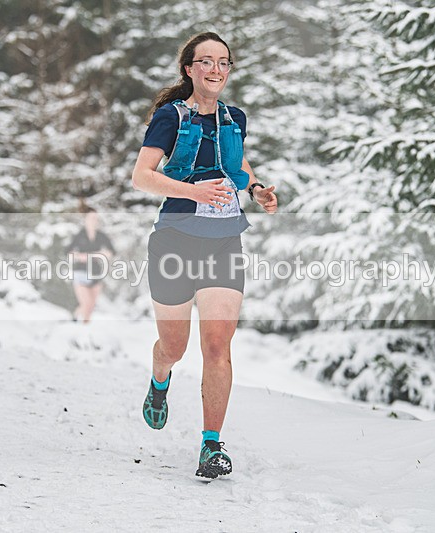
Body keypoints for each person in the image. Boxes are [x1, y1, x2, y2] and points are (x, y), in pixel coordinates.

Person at [131, 32, 277, 479]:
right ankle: (160, 378)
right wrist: (191, 191)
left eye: (223, 62)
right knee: (174, 347)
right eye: (206, 61)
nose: (216, 69)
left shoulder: (234, 118)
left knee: (217, 347)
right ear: (189, 69)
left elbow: (237, 165)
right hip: (174, 241)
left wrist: (255, 189)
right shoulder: (170, 117)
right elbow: (142, 176)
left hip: (224, 240)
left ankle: (211, 445)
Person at [68, 207, 114, 323]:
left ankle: (75, 316)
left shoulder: (101, 236)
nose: (94, 220)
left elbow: (111, 252)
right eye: (91, 218)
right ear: (85, 219)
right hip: (80, 272)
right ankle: (85, 327)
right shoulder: (79, 235)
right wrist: (79, 256)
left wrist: (97, 255)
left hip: (96, 274)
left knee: (91, 305)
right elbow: (68, 252)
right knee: (86, 303)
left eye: (96, 218)